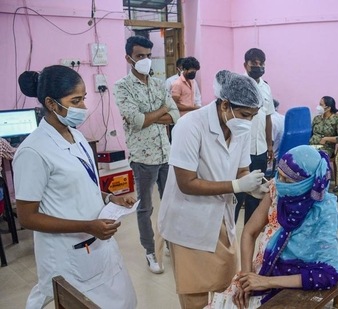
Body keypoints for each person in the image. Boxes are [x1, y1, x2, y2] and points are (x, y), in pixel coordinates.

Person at [14, 65, 137, 308]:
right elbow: (27, 217)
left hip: (96, 246)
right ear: (51, 103)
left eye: (84, 99)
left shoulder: (76, 136)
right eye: (76, 100)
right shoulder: (33, 151)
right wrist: (87, 226)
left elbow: (80, 183)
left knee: (123, 301)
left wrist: (109, 198)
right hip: (68, 252)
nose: (83, 108)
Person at [158, 70, 267, 309]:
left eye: (253, 116)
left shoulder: (239, 128)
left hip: (220, 218)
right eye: (245, 114)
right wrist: (237, 186)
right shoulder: (190, 126)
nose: (248, 121)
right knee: (195, 296)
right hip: (189, 221)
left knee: (224, 290)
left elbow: (241, 171)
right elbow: (186, 182)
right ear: (225, 104)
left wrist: (255, 186)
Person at [227, 145, 338, 309]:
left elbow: (329, 275)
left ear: (308, 182)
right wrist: (247, 278)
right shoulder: (276, 189)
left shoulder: (323, 212)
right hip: (264, 269)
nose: (280, 183)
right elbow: (249, 232)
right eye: (278, 175)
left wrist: (265, 282)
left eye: (288, 180)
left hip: (294, 284)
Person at [114, 35, 180, 274]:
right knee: (145, 207)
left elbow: (175, 116)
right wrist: (161, 111)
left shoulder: (158, 83)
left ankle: (171, 243)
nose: (145, 60)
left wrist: (155, 114)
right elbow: (138, 120)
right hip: (143, 158)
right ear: (129, 58)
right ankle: (150, 251)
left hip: (166, 153)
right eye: (140, 56)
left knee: (171, 201)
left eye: (149, 56)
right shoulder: (122, 87)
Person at [235, 48, 276, 224]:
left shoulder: (266, 88)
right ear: (246, 65)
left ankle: (248, 233)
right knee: (237, 194)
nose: (258, 67)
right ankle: (230, 233)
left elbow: (267, 118)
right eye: (254, 64)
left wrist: (269, 145)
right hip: (239, 148)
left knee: (255, 194)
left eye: (261, 64)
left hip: (259, 149)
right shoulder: (238, 85)